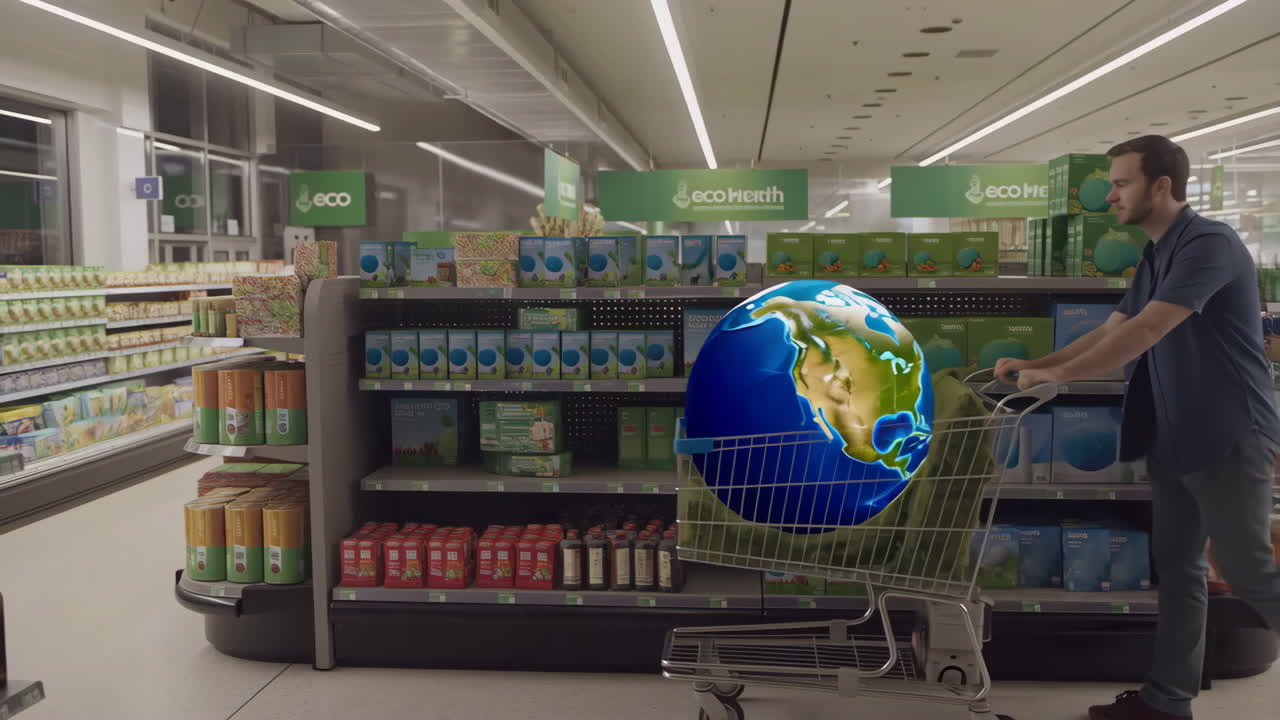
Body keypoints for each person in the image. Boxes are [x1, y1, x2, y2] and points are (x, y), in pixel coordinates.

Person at [995, 135, 1280, 720]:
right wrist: (1038, 365)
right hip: (1176, 436)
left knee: (1248, 569)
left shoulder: (1210, 244)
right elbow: (1112, 327)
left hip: (1229, 434)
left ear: (1161, 186)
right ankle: (1167, 701)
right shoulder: (1155, 253)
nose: (1109, 195)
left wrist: (1062, 378)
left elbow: (1147, 331)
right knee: (1178, 570)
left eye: (1121, 182)